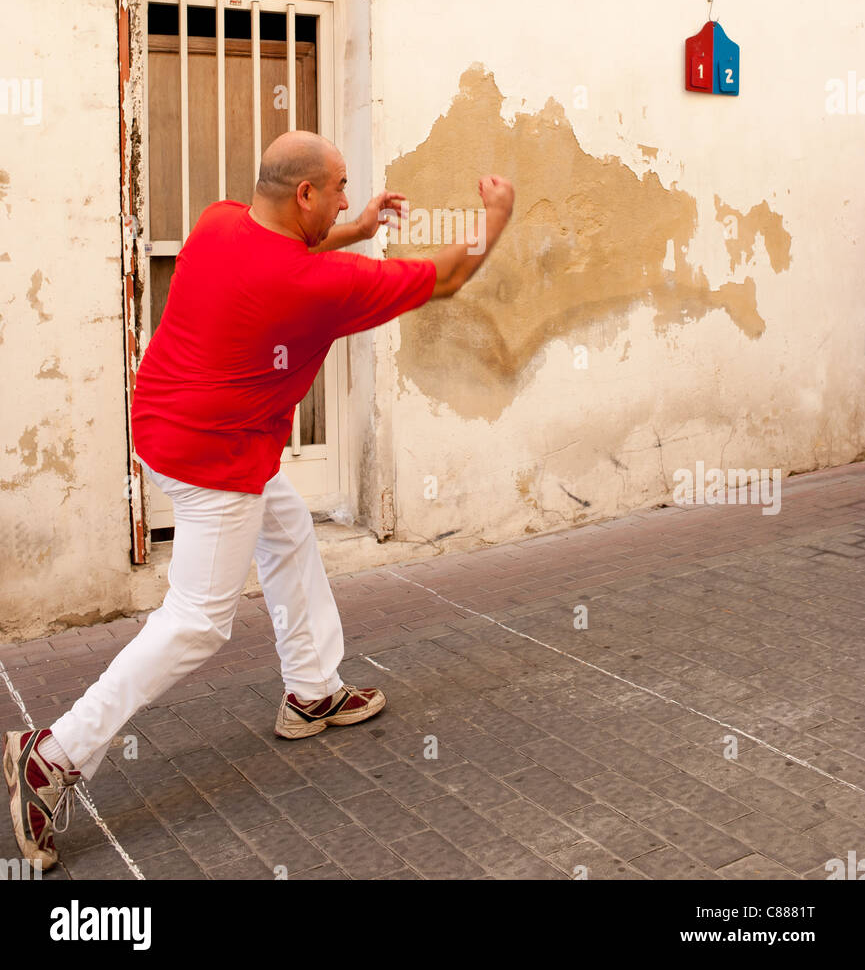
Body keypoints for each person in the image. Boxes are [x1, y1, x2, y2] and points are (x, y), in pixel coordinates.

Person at [3, 130, 515, 870]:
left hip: (166, 420)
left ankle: (311, 690)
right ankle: (51, 757)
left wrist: (360, 228)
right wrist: (494, 218)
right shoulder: (315, 289)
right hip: (215, 455)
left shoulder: (219, 222)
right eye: (338, 187)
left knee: (286, 534)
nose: (347, 196)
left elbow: (293, 245)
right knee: (195, 624)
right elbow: (448, 277)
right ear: (304, 193)